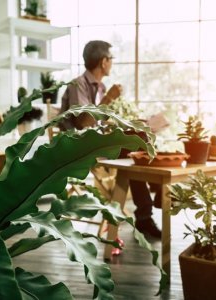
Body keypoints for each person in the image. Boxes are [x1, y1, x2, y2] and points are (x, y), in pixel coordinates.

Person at [59, 40, 161, 238]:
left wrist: (125, 123)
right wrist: (109, 99)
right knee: (135, 143)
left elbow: (100, 123)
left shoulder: (100, 87)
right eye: (111, 59)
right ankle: (150, 203)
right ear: (103, 61)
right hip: (78, 146)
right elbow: (83, 123)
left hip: (95, 142)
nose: (112, 63)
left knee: (137, 137)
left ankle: (145, 213)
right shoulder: (78, 85)